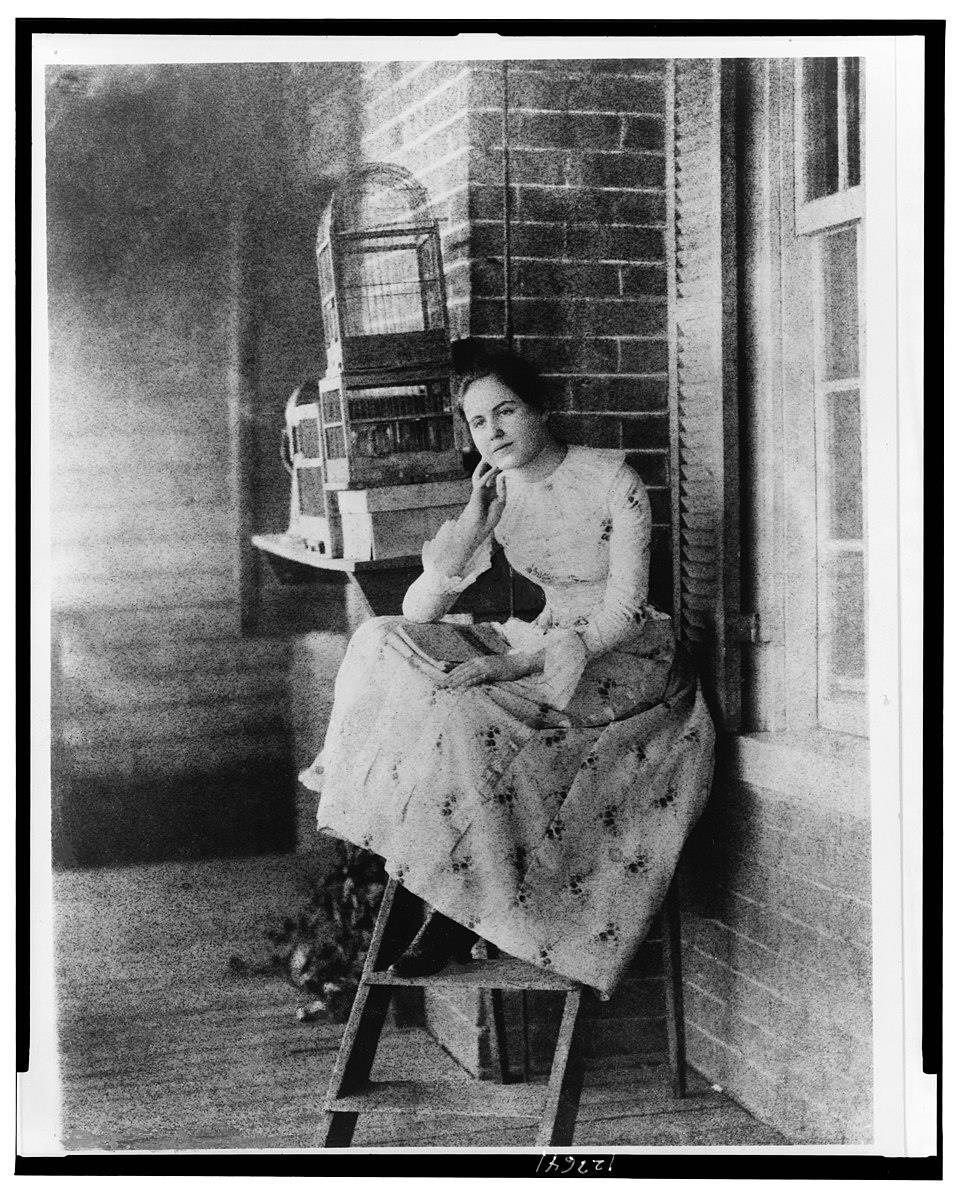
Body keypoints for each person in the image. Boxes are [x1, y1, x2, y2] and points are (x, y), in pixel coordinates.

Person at [299, 342, 715, 997]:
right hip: (545, 636)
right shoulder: (496, 491)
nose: (493, 431)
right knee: (379, 639)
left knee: (467, 708)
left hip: (623, 657)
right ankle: (414, 852)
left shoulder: (614, 482)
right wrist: (474, 523)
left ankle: (449, 911)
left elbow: (624, 614)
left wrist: (508, 664)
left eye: (506, 411)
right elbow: (418, 610)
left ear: (540, 408)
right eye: (478, 421)